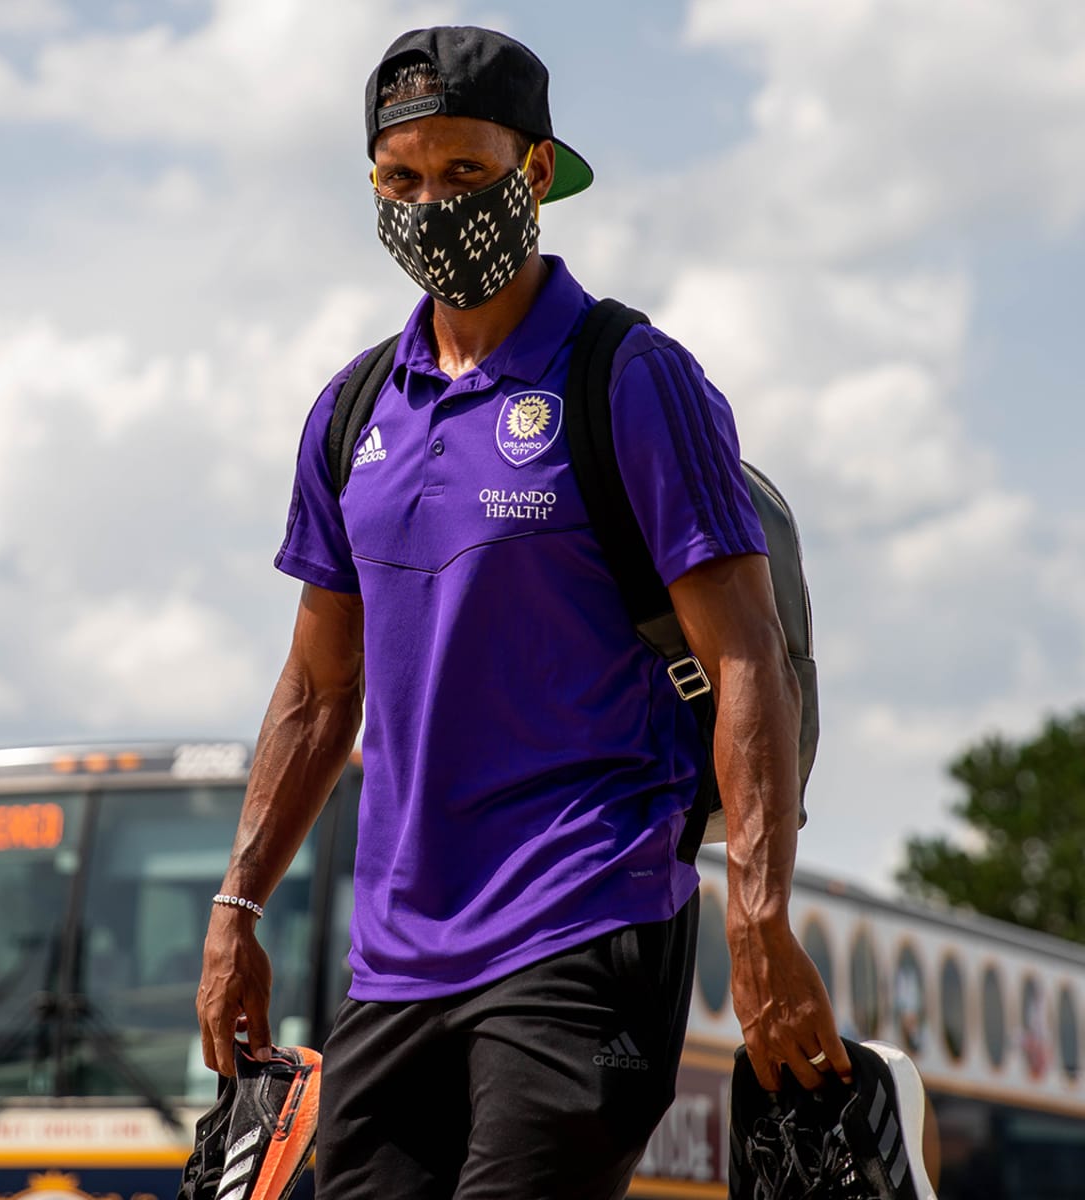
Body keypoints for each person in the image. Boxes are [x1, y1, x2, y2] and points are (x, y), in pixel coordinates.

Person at [197, 24, 847, 1200]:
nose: (431, 207)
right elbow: (315, 692)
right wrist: (238, 902)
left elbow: (749, 655)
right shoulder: (352, 415)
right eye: (401, 180)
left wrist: (761, 916)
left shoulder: (633, 379)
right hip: (394, 964)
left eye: (464, 175)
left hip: (583, 921)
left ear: (536, 173)